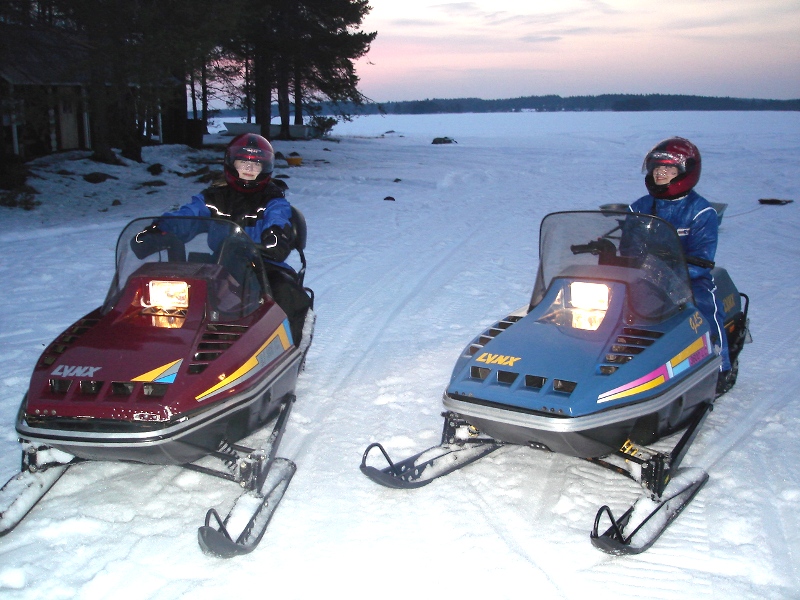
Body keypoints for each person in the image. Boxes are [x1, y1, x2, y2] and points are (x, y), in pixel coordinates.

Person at [143, 133, 311, 342]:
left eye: (255, 165)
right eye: (243, 163)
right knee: (166, 294)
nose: (249, 169)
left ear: (265, 168)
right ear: (231, 164)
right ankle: (165, 341)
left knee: (287, 294)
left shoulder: (272, 199)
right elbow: (190, 214)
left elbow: (278, 219)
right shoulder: (215, 196)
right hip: (219, 263)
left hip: (263, 262)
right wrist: (158, 230)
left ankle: (291, 346)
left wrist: (275, 238)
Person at [629, 137, 732, 395]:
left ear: (684, 174)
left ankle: (721, 365)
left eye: (669, 169)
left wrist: (674, 273)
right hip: (645, 276)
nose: (661, 173)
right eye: (657, 168)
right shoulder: (640, 206)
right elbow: (629, 246)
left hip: (689, 278)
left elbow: (703, 257)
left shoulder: (700, 211)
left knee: (705, 307)